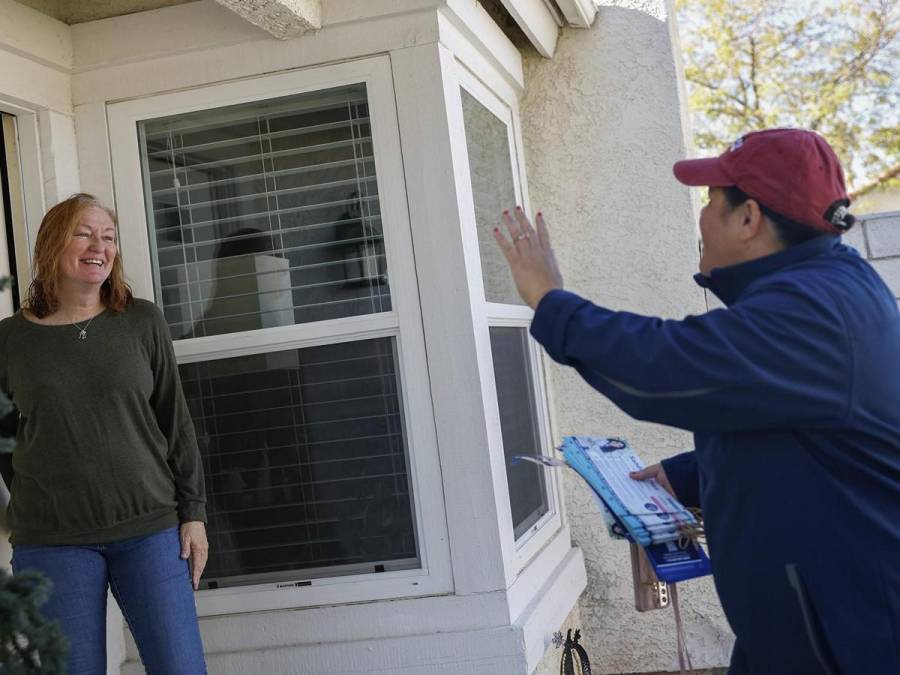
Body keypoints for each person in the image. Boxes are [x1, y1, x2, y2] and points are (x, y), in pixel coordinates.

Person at [493, 129, 900, 674]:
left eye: (710, 200)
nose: (701, 218)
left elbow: (665, 364)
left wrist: (550, 300)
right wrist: (689, 477)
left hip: (848, 643)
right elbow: (792, 427)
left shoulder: (814, 312)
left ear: (749, 218)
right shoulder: (826, 290)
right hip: (802, 627)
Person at [0, 193, 209, 673]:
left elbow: (174, 420)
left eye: (109, 237)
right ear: (53, 244)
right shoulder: (9, 341)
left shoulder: (140, 321)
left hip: (151, 530)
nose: (100, 245)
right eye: (85, 233)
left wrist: (193, 512)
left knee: (180, 666)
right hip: (53, 542)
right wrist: (47, 495)